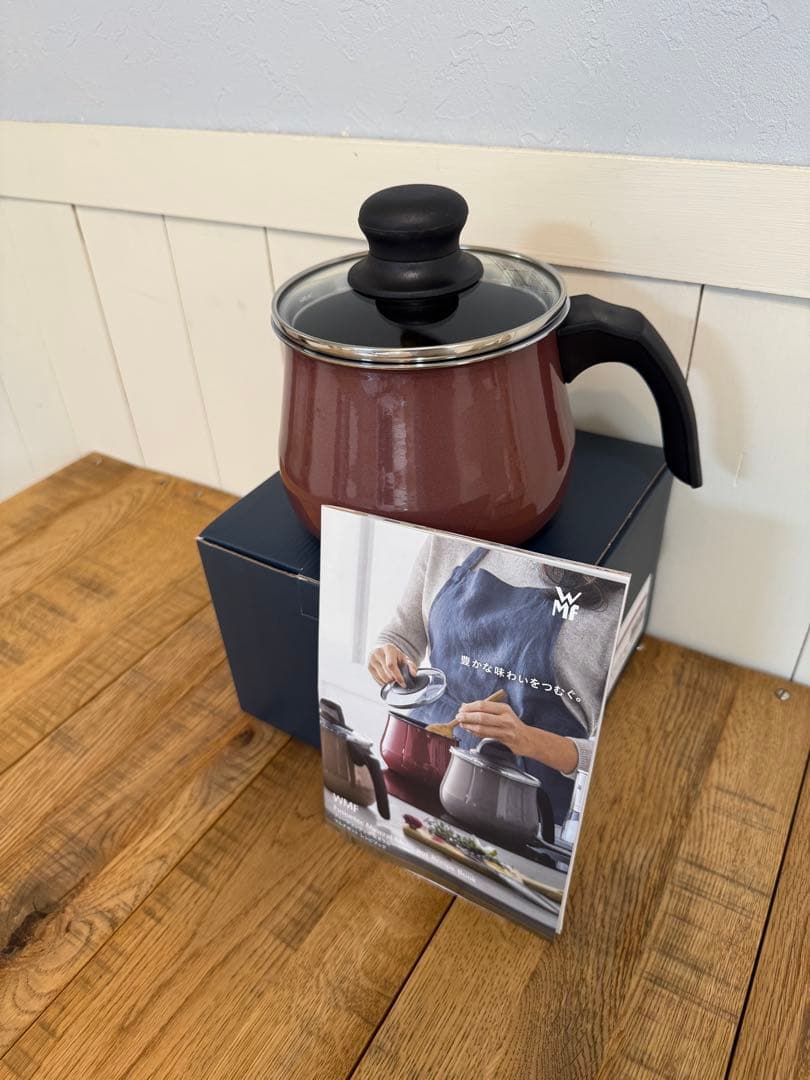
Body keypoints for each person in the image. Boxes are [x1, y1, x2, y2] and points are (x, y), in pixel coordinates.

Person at [367, 535, 625, 827]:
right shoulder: (452, 538)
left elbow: (617, 758)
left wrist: (528, 740)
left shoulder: (619, 600)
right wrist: (388, 656)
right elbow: (401, 634)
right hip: (418, 765)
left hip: (519, 808)